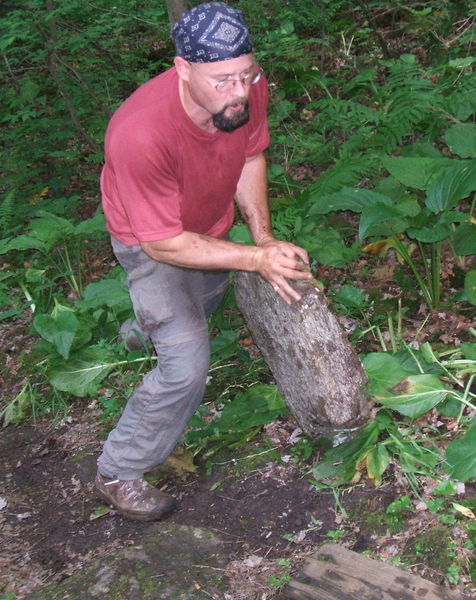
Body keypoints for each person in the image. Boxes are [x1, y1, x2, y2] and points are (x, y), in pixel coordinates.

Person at [94, 1, 311, 521]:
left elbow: (251, 154)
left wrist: (263, 237)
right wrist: (255, 257)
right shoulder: (139, 132)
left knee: (205, 299)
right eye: (223, 81)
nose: (240, 91)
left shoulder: (245, 87)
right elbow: (163, 244)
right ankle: (118, 470)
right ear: (182, 68)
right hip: (152, 243)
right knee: (187, 365)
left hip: (212, 229)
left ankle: (144, 326)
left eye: (247, 74)